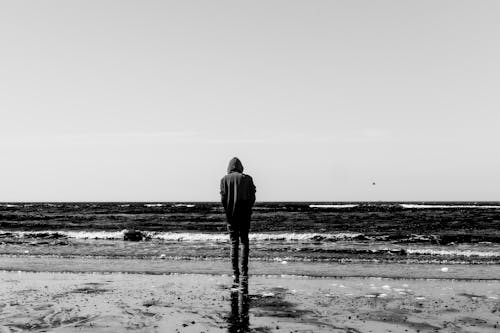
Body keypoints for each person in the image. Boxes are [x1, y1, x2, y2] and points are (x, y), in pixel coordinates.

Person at [220, 157, 256, 284]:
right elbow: (253, 195)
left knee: (234, 243)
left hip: (231, 215)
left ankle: (235, 273)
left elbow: (223, 199)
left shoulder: (224, 180)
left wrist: (227, 210)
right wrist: (249, 207)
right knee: (244, 241)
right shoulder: (247, 178)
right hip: (245, 214)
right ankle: (244, 272)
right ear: (240, 167)